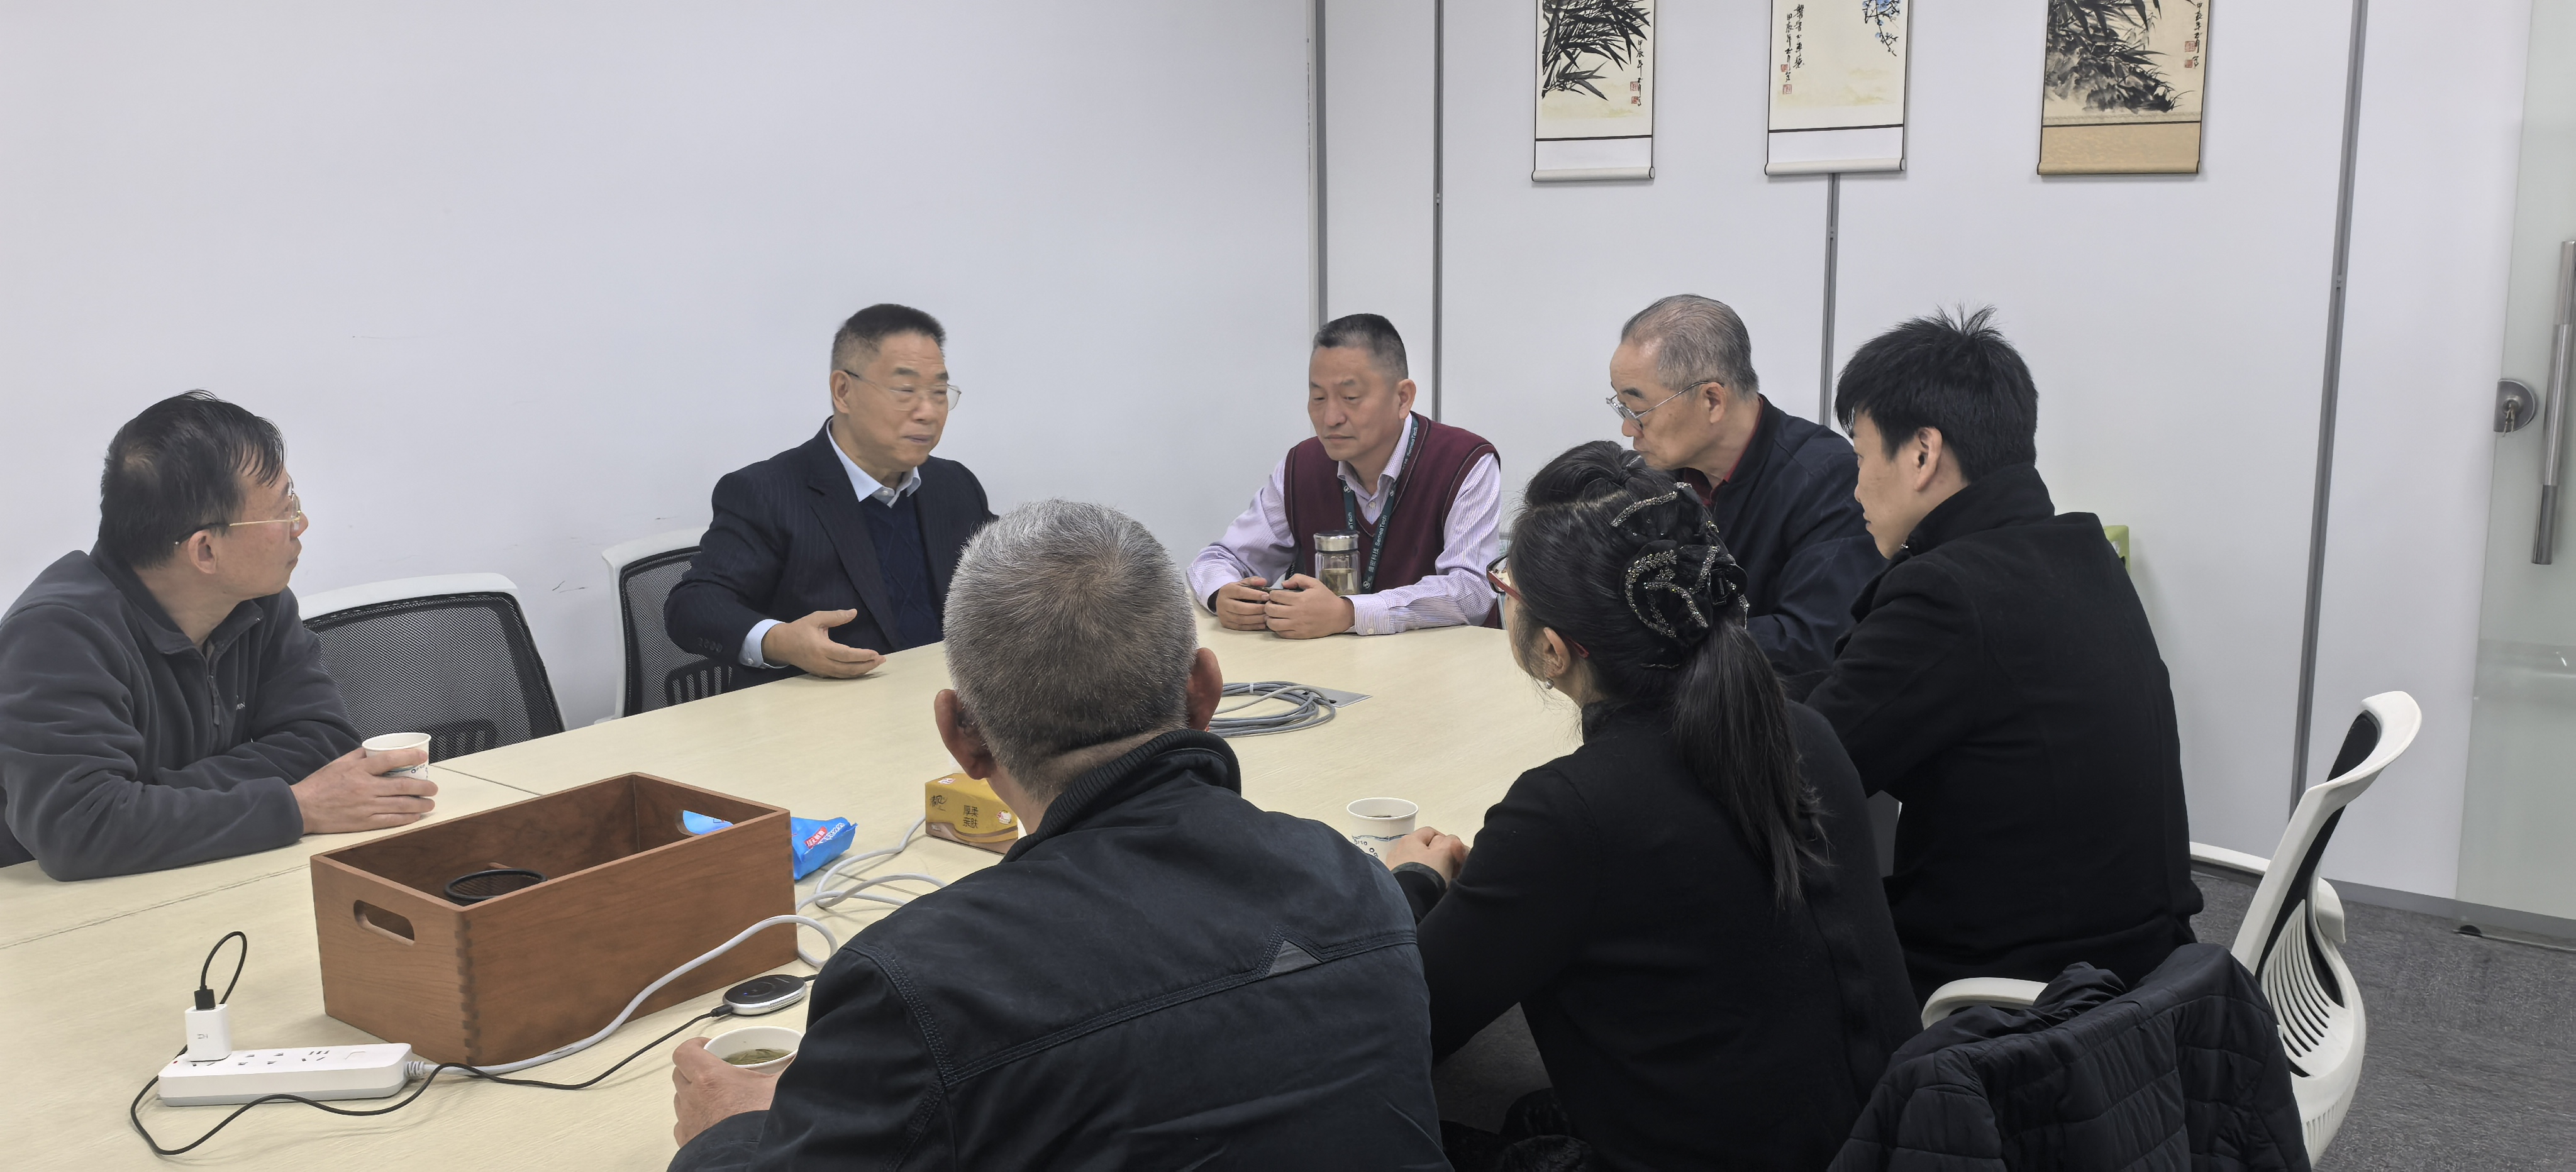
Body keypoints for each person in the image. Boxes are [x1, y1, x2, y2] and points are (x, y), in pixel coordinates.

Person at [666, 500, 1447, 1170]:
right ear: (1205, 693)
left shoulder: (916, 988)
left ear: (962, 738)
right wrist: (1408, 882)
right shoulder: (1355, 882)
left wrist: (727, 1132)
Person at [1382, 442, 1919, 1171]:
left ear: (1551, 650)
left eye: (1505, 586)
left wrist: (1413, 885)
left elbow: (1407, 1021)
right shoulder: (1802, 732)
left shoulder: (1568, 813)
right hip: (1882, 1137)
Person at [1801, 307, 2200, 1002]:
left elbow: (1799, 771)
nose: (1855, 487)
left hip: (2019, 996)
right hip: (2138, 968)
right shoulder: (2078, 553)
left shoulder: (1947, 594)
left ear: (1922, 453)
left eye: (1861, 458)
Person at [0, 393, 432, 881]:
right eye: (284, 510)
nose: (301, 524)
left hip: (207, 875)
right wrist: (296, 807)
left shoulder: (256, 600)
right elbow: (80, 828)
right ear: (205, 551)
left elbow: (323, 742)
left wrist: (148, 801)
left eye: (293, 499)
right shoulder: (55, 635)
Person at [666, 304, 994, 688]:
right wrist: (779, 641)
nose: (928, 412)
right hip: (825, 711)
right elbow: (693, 605)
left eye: (939, 393)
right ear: (844, 392)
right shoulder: (767, 492)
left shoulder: (954, 484)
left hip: (942, 697)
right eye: (905, 391)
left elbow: (1011, 571)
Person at [1609, 294, 1883, 675]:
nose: (1627, 430)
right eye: (1621, 408)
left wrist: (1656, 639)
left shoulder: (1825, 480)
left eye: (1639, 412)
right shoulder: (1654, 477)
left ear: (1712, 400)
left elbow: (1813, 641)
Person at [1191, 313, 1502, 638]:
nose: (1331, 418)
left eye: (1350, 398)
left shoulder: (1464, 462)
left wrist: (1350, 613)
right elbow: (1220, 558)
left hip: (1444, 662)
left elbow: (1471, 591)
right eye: (1318, 398)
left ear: (1403, 398)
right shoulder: (1302, 465)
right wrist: (1222, 593)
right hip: (1329, 664)